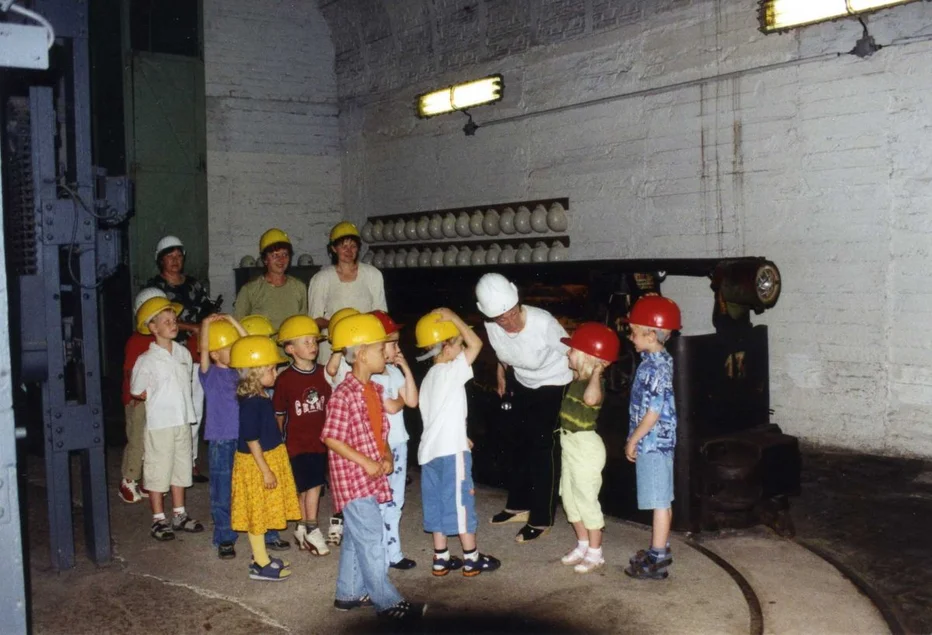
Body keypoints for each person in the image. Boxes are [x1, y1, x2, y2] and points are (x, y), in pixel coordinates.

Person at [322, 313, 426, 622]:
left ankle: (348, 593)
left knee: (357, 537)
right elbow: (331, 437)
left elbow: (380, 430)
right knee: (371, 538)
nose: (386, 353)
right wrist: (367, 461)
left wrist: (386, 455)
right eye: (382, 349)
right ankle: (386, 601)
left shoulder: (375, 391)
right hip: (352, 478)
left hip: (370, 475)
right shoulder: (344, 394)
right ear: (363, 354)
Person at [476, 273, 573, 543]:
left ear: (517, 302)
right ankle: (519, 505)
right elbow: (503, 353)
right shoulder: (493, 325)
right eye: (501, 318)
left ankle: (542, 517)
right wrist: (501, 373)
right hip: (521, 380)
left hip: (555, 382)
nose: (508, 322)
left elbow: (572, 353)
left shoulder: (543, 323)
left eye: (511, 313)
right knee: (516, 442)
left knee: (542, 447)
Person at [415, 309, 501, 578]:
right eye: (458, 343)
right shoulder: (451, 371)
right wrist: (453, 318)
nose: (463, 347)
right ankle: (471, 558)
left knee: (437, 505)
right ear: (447, 346)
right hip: (452, 454)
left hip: (430, 452)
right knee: (461, 503)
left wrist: (460, 434)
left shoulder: (428, 379)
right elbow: (477, 343)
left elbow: (437, 416)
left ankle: (441, 558)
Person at [130, 296, 205, 541]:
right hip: (160, 424)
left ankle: (179, 514)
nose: (174, 324)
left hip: (182, 421)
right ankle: (158, 519)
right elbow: (137, 390)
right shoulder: (146, 360)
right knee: (158, 470)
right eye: (167, 321)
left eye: (174, 320)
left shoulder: (183, 353)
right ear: (153, 327)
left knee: (181, 468)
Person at [229, 335, 302, 581]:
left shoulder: (260, 396)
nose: (276, 372)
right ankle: (260, 564)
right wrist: (266, 470)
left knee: (263, 509)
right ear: (255, 372)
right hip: (256, 463)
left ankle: (259, 556)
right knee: (257, 512)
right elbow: (251, 439)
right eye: (271, 368)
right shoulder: (252, 403)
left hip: (268, 456)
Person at [147, 236, 215, 483]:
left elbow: (207, 312)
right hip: (167, 355)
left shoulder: (194, 285)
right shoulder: (154, 288)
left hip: (194, 354)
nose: (175, 261)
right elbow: (156, 318)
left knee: (194, 408)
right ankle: (166, 462)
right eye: (170, 256)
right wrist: (193, 327)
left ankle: (191, 461)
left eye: (178, 256)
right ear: (160, 260)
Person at [622, 296, 681, 580]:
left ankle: (657, 556)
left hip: (653, 443)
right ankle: (661, 547)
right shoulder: (658, 360)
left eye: (633, 332)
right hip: (658, 442)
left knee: (659, 501)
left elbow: (653, 412)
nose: (630, 337)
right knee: (663, 498)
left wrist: (633, 439)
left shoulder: (655, 368)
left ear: (650, 334)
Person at [557, 323, 620, 574]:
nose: (567, 353)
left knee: (586, 499)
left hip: (585, 447)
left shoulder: (594, 384)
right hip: (569, 444)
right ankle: (583, 544)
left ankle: (596, 552)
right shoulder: (577, 379)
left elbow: (592, 399)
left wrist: (597, 371)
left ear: (588, 357)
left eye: (572, 350)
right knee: (569, 497)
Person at [272, 315, 331, 557]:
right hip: (296, 444)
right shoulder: (285, 379)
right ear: (290, 349)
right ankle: (312, 528)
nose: (312, 346)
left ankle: (302, 527)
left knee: (312, 485)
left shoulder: (324, 373)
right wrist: (278, 443)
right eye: (305, 342)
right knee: (307, 486)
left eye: (314, 341)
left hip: (320, 441)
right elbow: (279, 414)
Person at [370, 310, 418, 571]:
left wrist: (405, 367)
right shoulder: (373, 375)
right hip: (381, 446)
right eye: (393, 344)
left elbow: (412, 401)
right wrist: (398, 401)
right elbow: (391, 406)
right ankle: (379, 554)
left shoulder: (392, 371)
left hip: (399, 441)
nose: (397, 349)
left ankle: (394, 552)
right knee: (380, 500)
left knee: (395, 499)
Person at [199, 314, 248, 559]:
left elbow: (249, 344)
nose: (236, 351)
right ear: (216, 354)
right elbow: (204, 349)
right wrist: (206, 325)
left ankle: (260, 529)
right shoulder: (209, 374)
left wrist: (231, 320)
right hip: (220, 441)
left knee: (248, 486)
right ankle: (224, 536)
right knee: (222, 490)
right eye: (230, 348)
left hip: (244, 439)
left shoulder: (241, 373)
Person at [119, 287, 171, 504]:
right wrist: (136, 395)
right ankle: (128, 479)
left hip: (155, 400)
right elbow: (130, 371)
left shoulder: (163, 340)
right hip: (138, 400)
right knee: (137, 439)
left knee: (152, 441)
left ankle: (146, 480)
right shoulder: (137, 341)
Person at [308, 221, 387, 363]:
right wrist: (338, 324)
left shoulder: (373, 274)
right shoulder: (321, 278)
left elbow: (381, 313)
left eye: (353, 246)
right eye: (343, 246)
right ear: (333, 248)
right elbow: (315, 319)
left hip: (365, 343)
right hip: (333, 350)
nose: (349, 251)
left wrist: (360, 323)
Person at [234, 228, 308, 331]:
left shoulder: (299, 288)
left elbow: (304, 326)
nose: (281, 260)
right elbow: (237, 326)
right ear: (265, 259)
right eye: (275, 255)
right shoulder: (250, 290)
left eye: (285, 254)